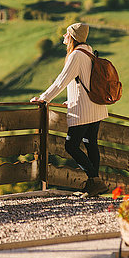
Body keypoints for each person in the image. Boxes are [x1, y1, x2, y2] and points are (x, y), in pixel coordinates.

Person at [31, 23, 109, 197]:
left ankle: (95, 180)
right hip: (96, 106)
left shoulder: (76, 55)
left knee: (71, 145)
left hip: (84, 110)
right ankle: (93, 186)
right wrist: (72, 99)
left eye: (67, 34)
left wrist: (43, 98)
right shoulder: (88, 51)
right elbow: (84, 81)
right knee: (91, 144)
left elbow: (62, 81)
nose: (64, 37)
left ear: (73, 37)